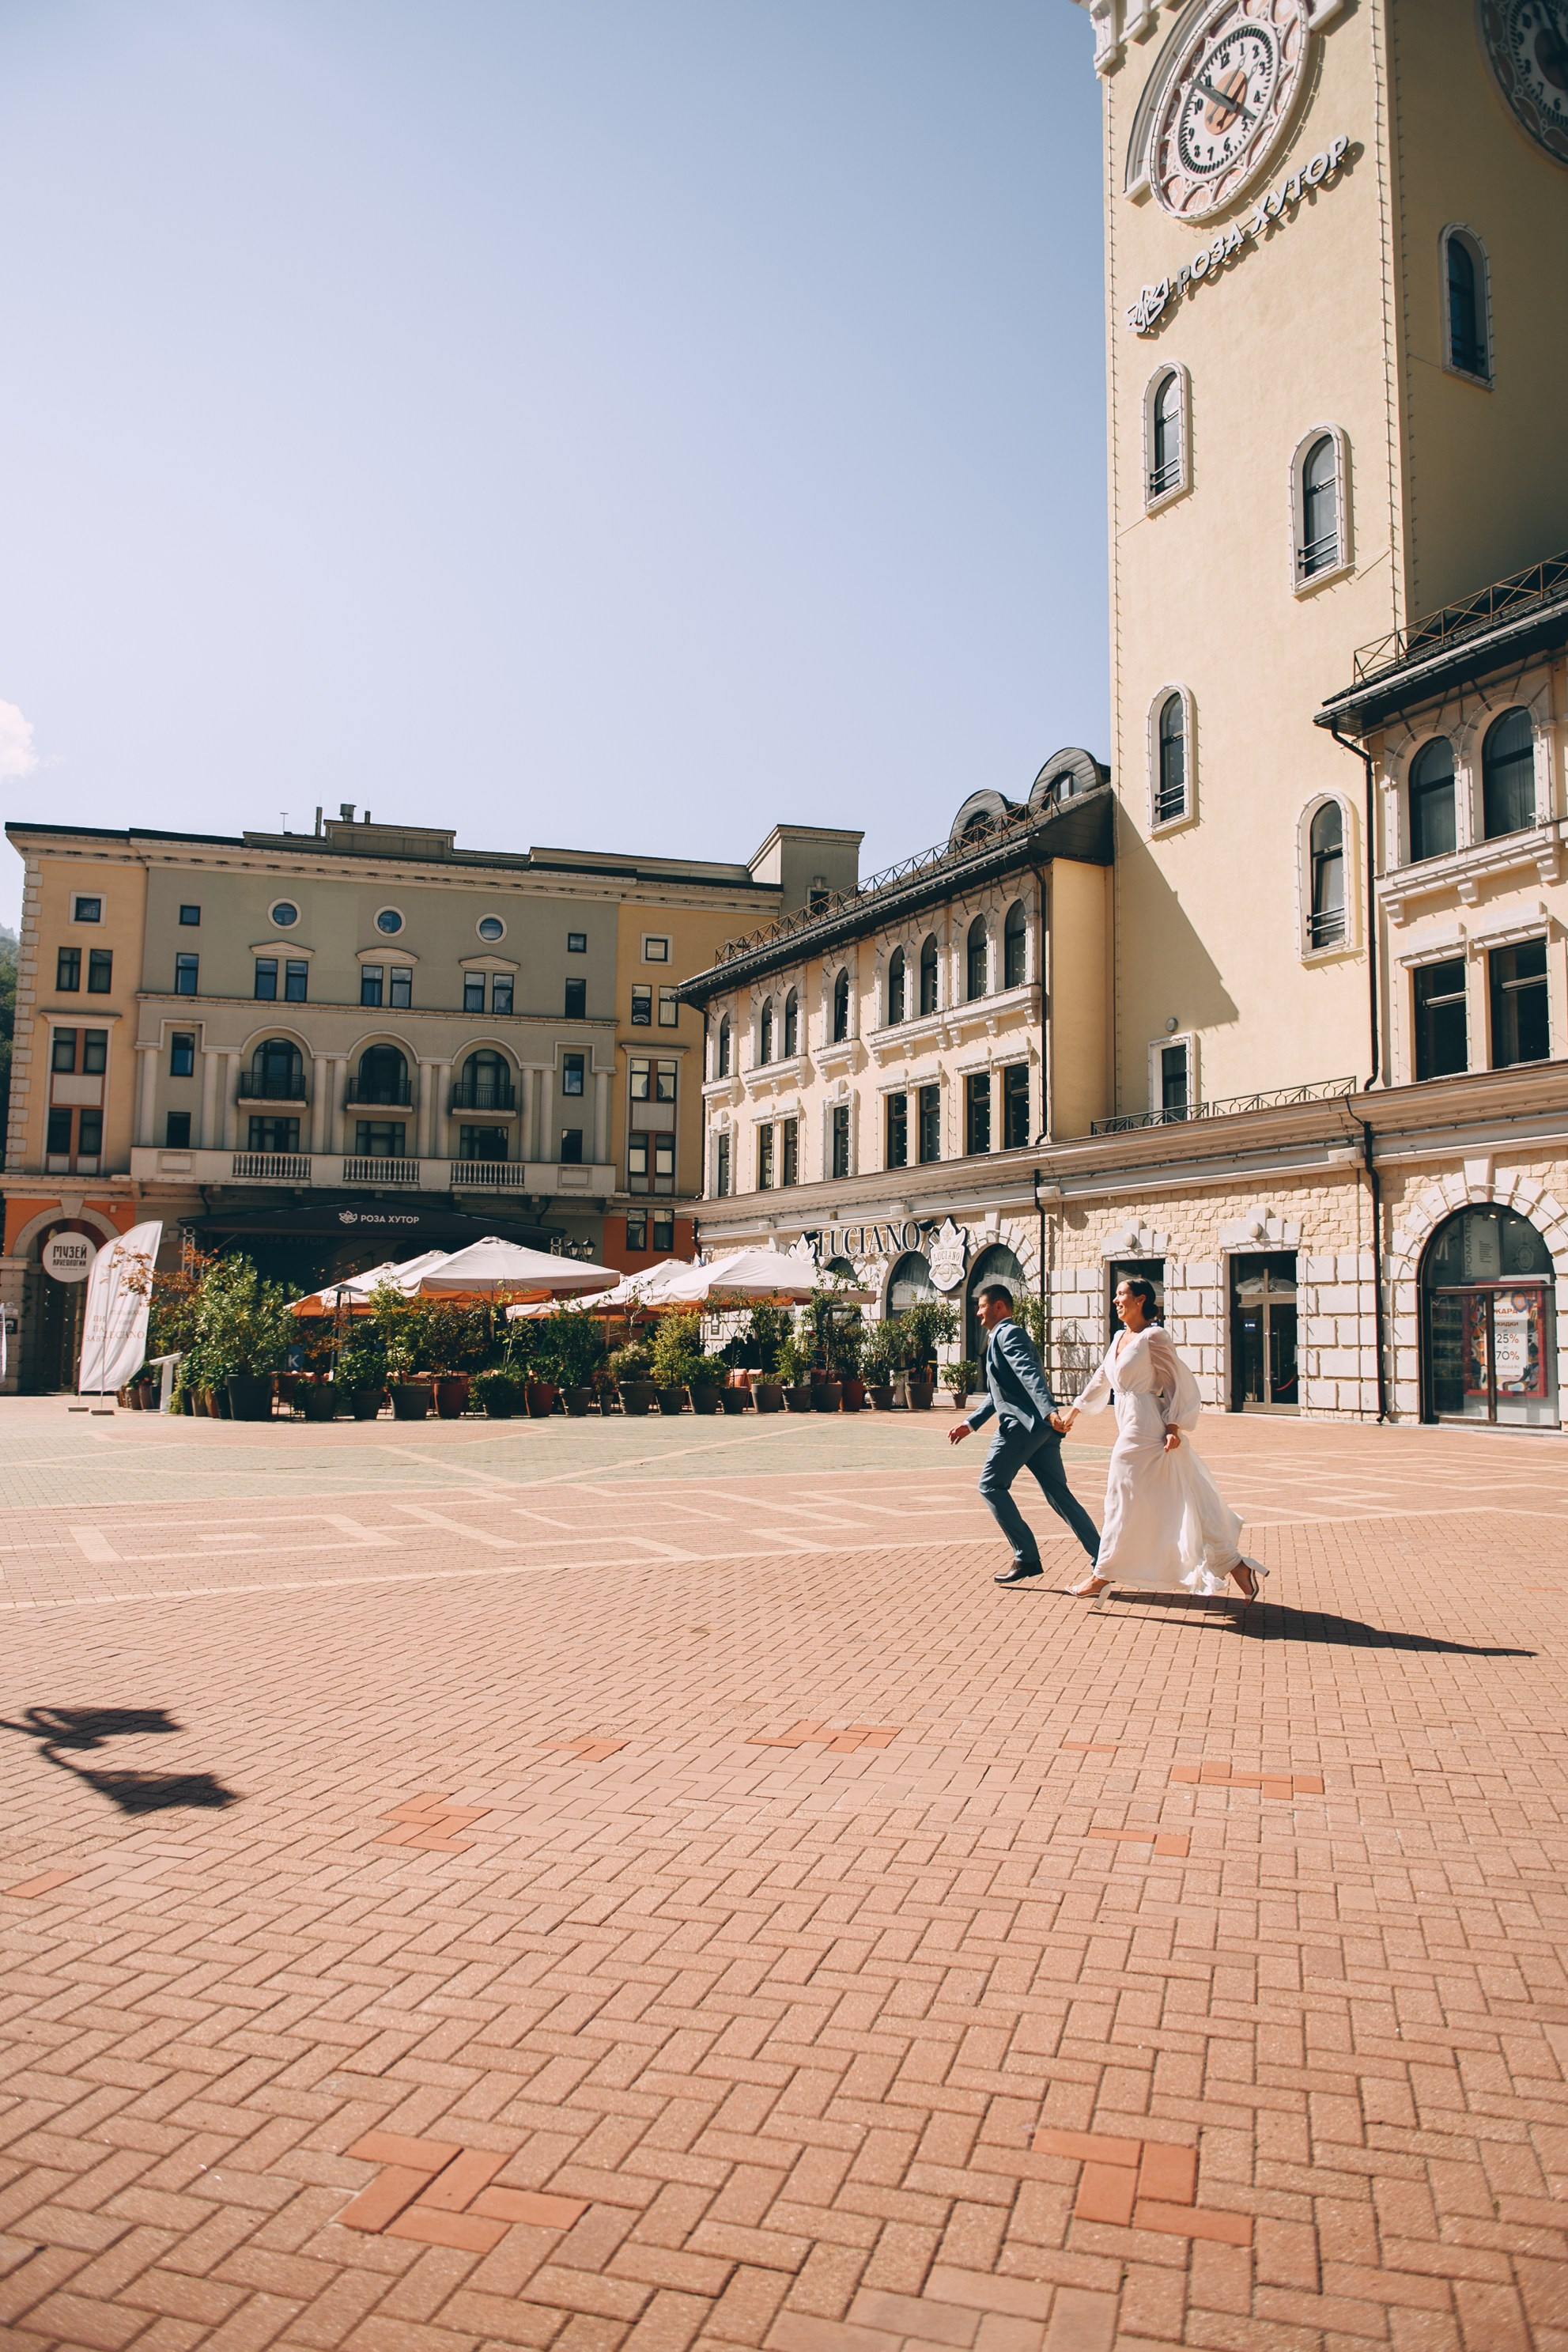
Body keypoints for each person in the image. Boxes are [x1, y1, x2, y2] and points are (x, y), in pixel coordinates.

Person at [1052, 1276, 1268, 1602]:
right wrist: (1075, 1411)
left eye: (1122, 1294)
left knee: (1119, 1495)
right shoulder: (1121, 1337)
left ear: (1141, 1300)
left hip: (1146, 1425)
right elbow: (1102, 1376)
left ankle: (1102, 1574)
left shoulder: (1154, 1337)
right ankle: (1235, 1564)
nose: (1116, 1300)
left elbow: (1177, 1382)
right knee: (1182, 1494)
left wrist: (1173, 1426)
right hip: (1127, 1420)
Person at [949, 1280, 1101, 1585]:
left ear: (999, 1307)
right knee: (1060, 1495)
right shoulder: (1001, 1337)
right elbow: (1000, 1392)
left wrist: (1049, 1410)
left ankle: (1026, 1556)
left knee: (991, 1486)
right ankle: (1103, 1557)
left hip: (1021, 1428)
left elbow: (1030, 1374)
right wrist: (972, 1423)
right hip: (1040, 1432)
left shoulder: (1008, 1333)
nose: (978, 1314)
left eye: (981, 1308)